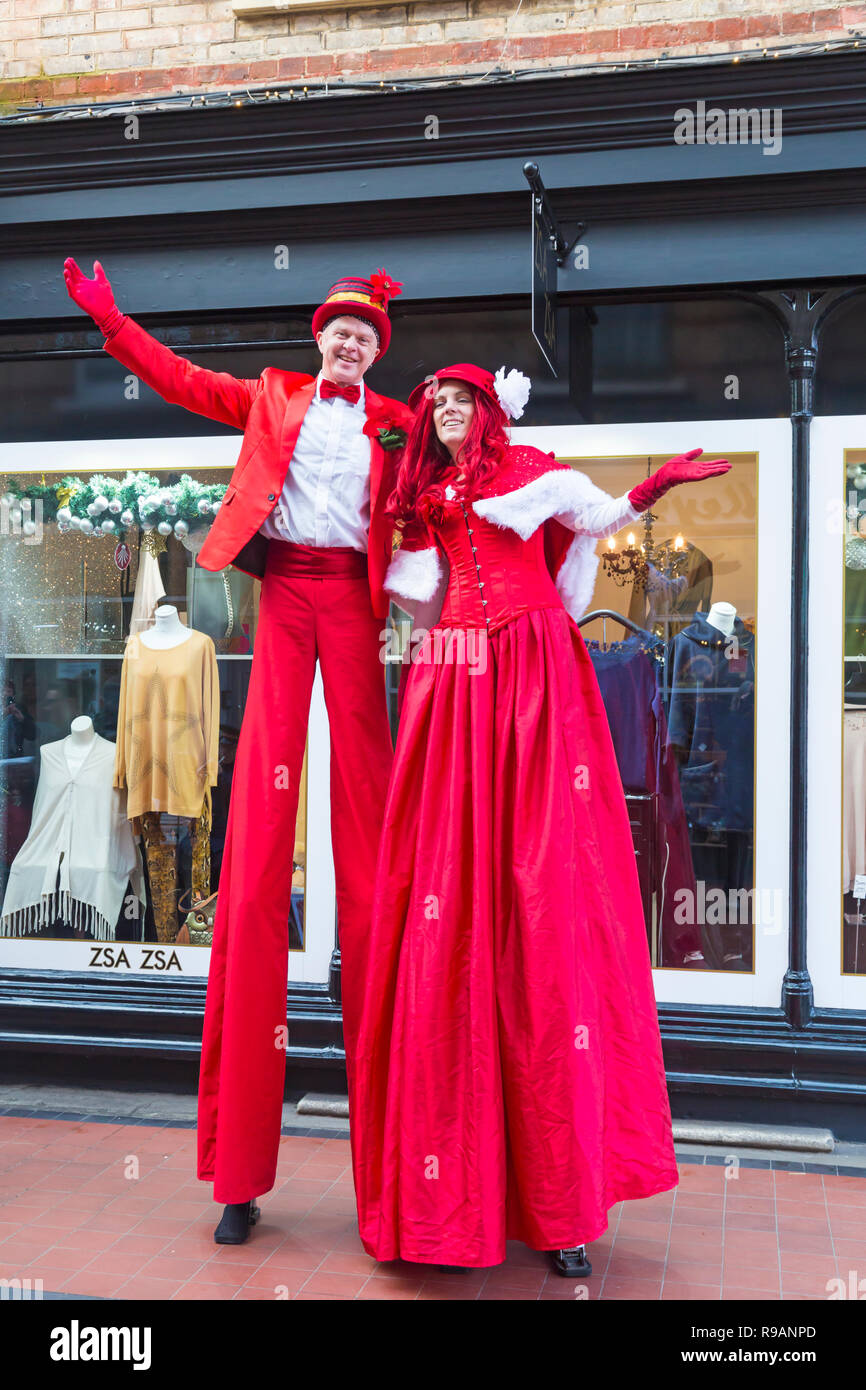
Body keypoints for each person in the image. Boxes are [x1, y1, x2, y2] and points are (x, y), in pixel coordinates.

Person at [349, 364, 730, 1276]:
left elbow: (596, 521)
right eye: (433, 402)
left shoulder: (533, 472)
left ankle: (561, 1206)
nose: (442, 412)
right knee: (449, 886)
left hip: (532, 671)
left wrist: (654, 485)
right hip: (454, 672)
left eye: (457, 402)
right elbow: (421, 594)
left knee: (545, 889)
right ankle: (449, 1197)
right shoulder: (431, 493)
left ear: (486, 411)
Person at [63, 258, 412, 1244]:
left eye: (365, 337)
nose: (350, 345)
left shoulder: (395, 421)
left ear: (376, 349)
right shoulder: (271, 397)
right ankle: (239, 1178)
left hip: (353, 595)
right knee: (258, 845)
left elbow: (467, 470)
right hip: (287, 592)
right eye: (339, 332)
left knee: (376, 833)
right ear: (319, 339)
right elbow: (179, 379)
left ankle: (398, 1172)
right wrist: (114, 320)